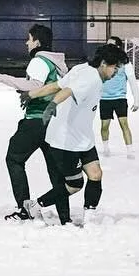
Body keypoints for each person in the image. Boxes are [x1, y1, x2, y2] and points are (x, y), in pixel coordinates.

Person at [37, 42, 126, 225]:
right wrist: (52, 105)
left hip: (83, 138)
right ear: (103, 64)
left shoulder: (83, 68)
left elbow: (58, 85)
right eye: (114, 67)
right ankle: (36, 205)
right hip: (66, 141)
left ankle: (89, 219)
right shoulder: (90, 79)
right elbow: (68, 90)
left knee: (96, 174)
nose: (116, 72)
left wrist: (32, 94)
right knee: (74, 185)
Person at [0, 22, 66, 220]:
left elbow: (34, 85)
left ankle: (24, 207)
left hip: (36, 120)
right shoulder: (56, 63)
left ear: (37, 42)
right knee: (55, 170)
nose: (26, 43)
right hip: (54, 122)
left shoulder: (39, 60)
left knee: (14, 159)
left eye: (29, 39)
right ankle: (64, 215)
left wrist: (3, 78)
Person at [98, 33, 139, 156]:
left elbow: (132, 81)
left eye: (111, 45)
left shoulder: (125, 63)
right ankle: (106, 148)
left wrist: (137, 101)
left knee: (124, 124)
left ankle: (130, 150)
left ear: (117, 47)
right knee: (104, 126)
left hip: (119, 98)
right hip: (104, 99)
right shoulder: (102, 62)